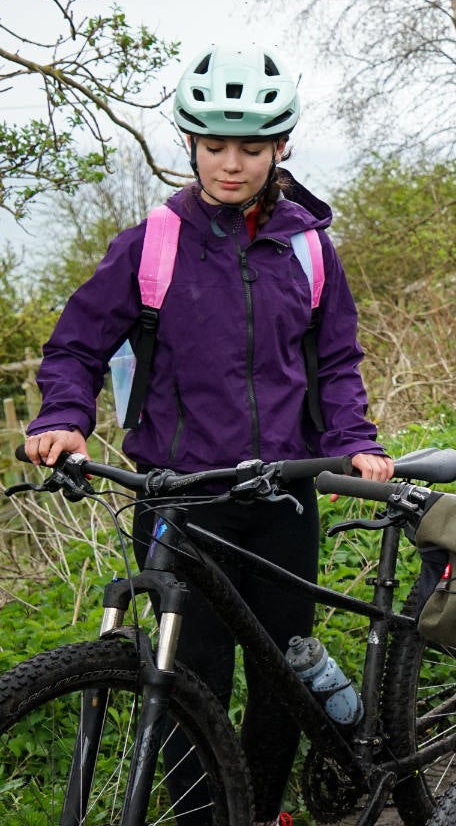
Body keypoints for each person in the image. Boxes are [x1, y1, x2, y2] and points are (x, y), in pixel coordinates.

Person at [24, 45, 394, 826]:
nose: (233, 163)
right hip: (180, 498)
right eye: (216, 145)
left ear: (281, 145)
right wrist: (64, 418)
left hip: (284, 497)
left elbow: (334, 362)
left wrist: (356, 438)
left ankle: (258, 811)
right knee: (189, 679)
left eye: (252, 146)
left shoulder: (308, 247)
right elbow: (76, 347)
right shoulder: (151, 244)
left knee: (280, 675)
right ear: (189, 144)